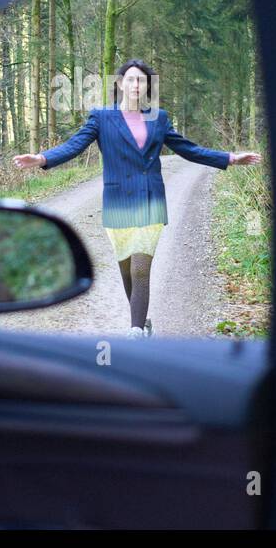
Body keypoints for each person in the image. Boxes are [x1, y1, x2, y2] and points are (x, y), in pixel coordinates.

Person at [13, 58, 261, 338]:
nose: (136, 85)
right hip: (118, 202)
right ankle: (142, 321)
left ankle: (135, 331)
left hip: (150, 199)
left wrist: (230, 158)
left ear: (147, 86)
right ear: (120, 84)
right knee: (127, 269)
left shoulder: (159, 118)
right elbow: (75, 145)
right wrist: (42, 158)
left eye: (141, 80)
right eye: (130, 79)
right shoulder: (102, 117)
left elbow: (188, 149)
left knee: (141, 268)